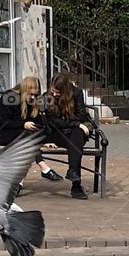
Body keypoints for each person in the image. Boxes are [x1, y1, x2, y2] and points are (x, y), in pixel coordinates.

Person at [0, 76, 62, 182]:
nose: (32, 97)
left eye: (35, 95)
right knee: (26, 135)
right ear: (24, 90)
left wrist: (44, 140)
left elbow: (37, 122)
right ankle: (44, 167)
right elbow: (1, 122)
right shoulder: (10, 96)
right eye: (30, 94)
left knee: (27, 137)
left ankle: (19, 181)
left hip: (21, 135)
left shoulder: (33, 101)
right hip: (0, 133)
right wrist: (23, 124)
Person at [45, 72, 93, 200]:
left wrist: (75, 125)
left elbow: (82, 115)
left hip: (72, 134)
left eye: (57, 92)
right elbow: (53, 121)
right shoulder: (47, 97)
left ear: (65, 90)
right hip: (56, 133)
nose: (54, 94)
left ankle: (73, 173)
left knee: (77, 136)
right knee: (77, 136)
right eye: (52, 91)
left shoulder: (76, 93)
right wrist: (76, 124)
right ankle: (76, 185)